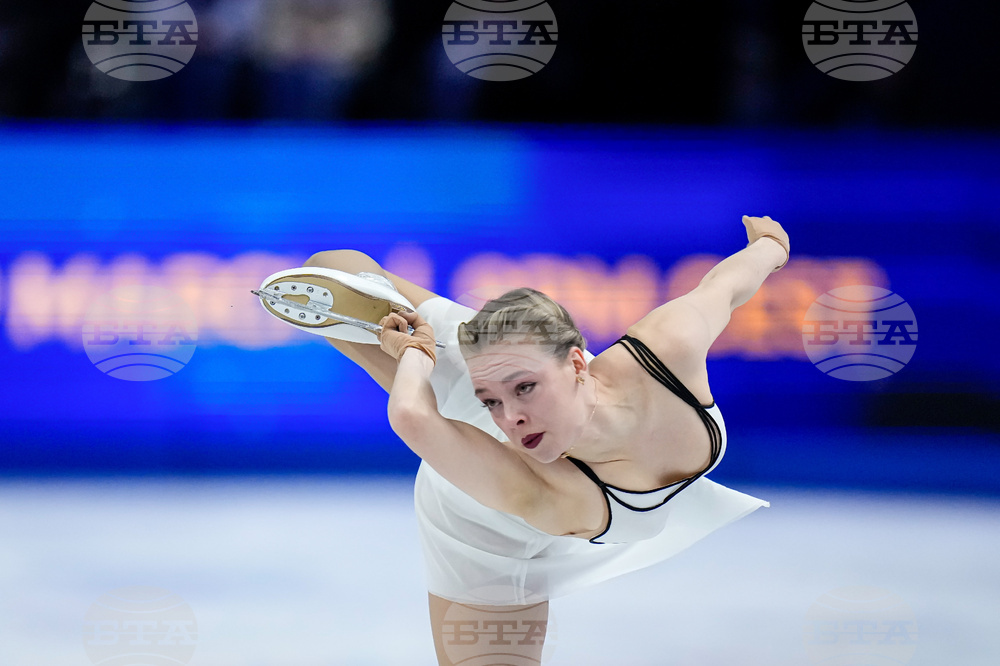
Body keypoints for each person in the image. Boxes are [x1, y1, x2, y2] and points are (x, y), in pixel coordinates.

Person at [259, 215, 789, 664]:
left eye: (526, 390)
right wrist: (417, 355)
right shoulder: (553, 487)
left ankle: (399, 329)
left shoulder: (664, 352)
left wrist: (770, 247)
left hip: (490, 376)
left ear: (578, 363)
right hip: (479, 508)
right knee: (330, 268)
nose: (510, 418)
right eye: (495, 402)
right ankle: (406, 335)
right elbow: (414, 418)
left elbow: (724, 286)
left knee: (355, 288)